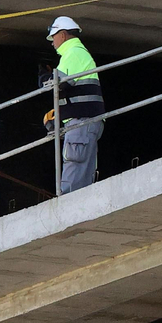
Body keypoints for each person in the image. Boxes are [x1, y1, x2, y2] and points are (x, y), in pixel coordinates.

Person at [47, 16, 105, 193]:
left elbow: (59, 84)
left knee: (74, 168)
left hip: (81, 123)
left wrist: (45, 80)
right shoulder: (79, 53)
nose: (52, 42)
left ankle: (66, 206)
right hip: (86, 122)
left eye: (53, 37)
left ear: (63, 35)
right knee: (84, 173)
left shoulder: (73, 53)